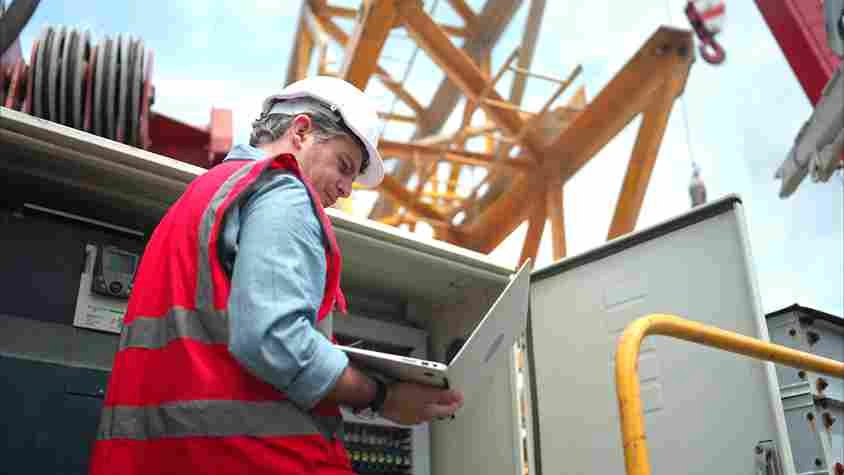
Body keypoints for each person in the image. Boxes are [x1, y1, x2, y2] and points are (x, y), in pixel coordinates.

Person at [89, 76, 463, 475]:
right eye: (344, 166)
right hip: (259, 459)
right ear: (301, 131)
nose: (346, 189)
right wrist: (382, 395)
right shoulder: (284, 190)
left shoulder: (201, 196)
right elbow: (274, 339)